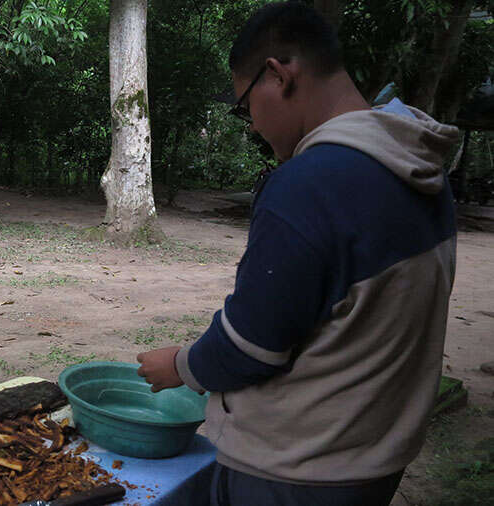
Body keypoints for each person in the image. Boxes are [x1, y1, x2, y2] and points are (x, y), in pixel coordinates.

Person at [135, 3, 461, 505]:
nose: (251, 126)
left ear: (277, 75)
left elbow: (252, 347)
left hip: (295, 469)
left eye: (245, 106)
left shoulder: (310, 184)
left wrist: (179, 366)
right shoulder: (419, 169)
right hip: (376, 458)